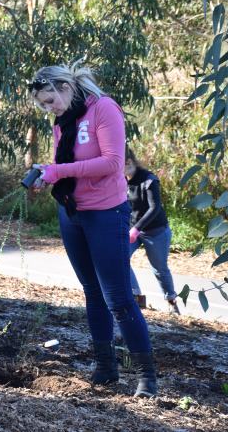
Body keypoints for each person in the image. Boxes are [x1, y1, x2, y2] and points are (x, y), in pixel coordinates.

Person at [26, 61, 157, 397]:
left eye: (49, 101)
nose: (48, 108)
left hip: (106, 213)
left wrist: (58, 170)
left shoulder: (104, 109)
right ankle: (106, 365)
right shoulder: (63, 120)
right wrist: (48, 174)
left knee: (119, 298)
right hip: (72, 213)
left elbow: (113, 162)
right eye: (43, 104)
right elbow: (66, 167)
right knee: (91, 291)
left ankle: (146, 376)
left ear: (64, 88)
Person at [125, 148, 179, 314]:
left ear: (128, 162)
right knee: (119, 258)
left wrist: (136, 228)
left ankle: (171, 302)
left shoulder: (148, 179)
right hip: (133, 229)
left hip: (156, 231)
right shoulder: (121, 180)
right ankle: (136, 297)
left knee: (159, 269)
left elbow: (154, 208)